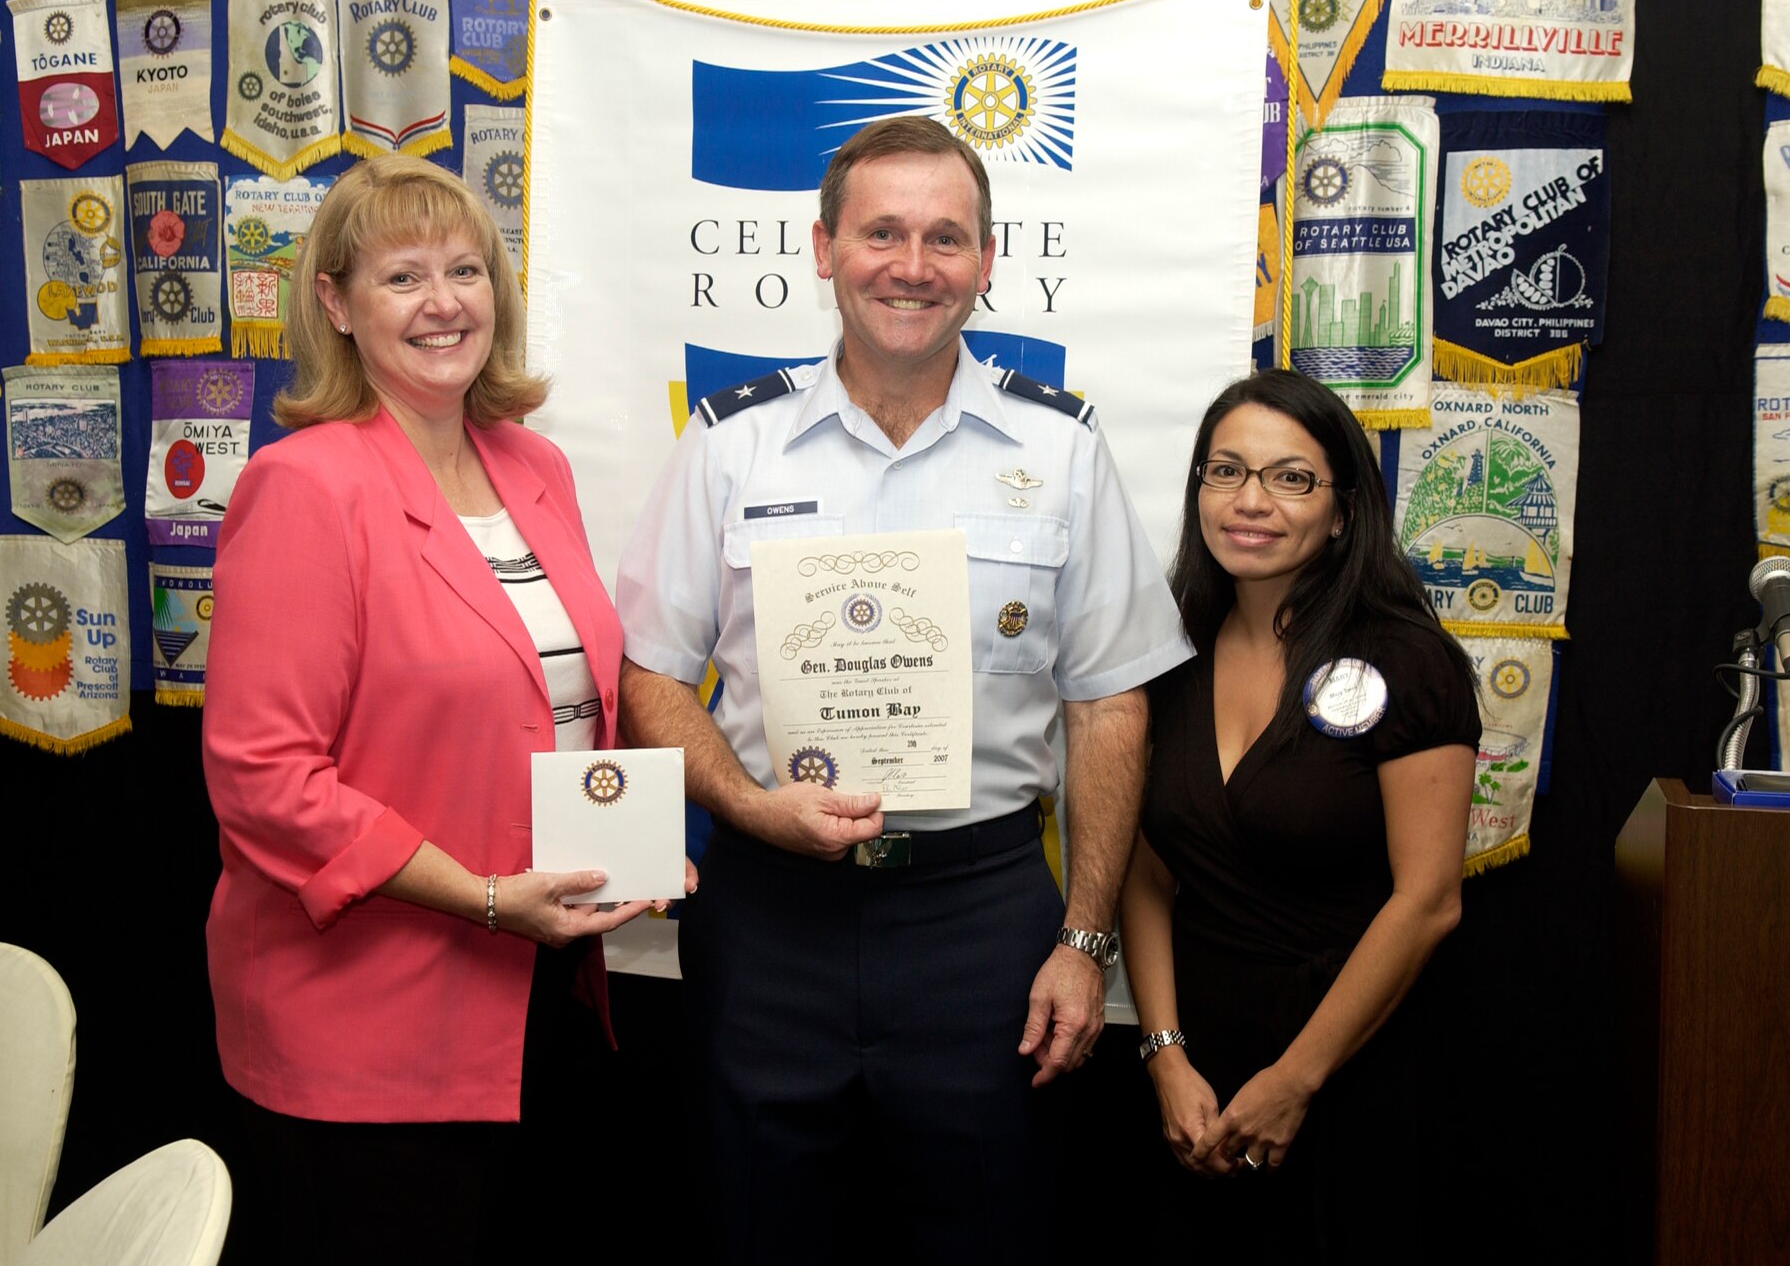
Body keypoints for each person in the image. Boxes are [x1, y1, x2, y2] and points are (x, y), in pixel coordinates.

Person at [616, 115, 1191, 1263]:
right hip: (770, 916)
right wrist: (742, 804)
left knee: (992, 1231)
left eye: (944, 238)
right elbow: (651, 677)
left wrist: (1084, 939)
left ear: (986, 261)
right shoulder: (731, 445)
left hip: (978, 919)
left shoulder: (1062, 448)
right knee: (753, 1229)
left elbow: (1108, 702)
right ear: (822, 246)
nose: (911, 266)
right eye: (881, 232)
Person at [202, 153, 685, 1265]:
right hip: (368, 1010)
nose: (442, 303)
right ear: (334, 302)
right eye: (402, 275)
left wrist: (625, 849)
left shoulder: (534, 466)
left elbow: (558, 703)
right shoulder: (304, 486)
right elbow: (262, 779)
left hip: (540, 985)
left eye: (464, 269)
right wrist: (479, 896)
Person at [1120, 370, 1479, 1261]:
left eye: (1291, 477)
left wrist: (1295, 1078)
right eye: (1225, 470)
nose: (1251, 501)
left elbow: (1429, 899)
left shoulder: (1407, 659)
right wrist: (1165, 1054)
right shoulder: (1167, 652)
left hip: (1352, 1065)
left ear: (1345, 509)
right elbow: (1148, 870)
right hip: (1198, 1077)